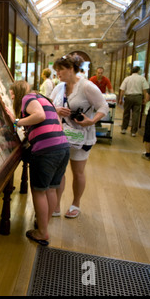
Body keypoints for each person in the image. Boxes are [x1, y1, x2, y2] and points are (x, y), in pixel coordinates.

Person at [5, 81, 70, 246]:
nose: (12, 98)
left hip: (46, 151)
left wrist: (15, 122)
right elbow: (53, 122)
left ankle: (41, 232)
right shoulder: (43, 98)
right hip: (62, 147)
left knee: (39, 191)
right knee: (51, 189)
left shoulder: (27, 98)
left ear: (18, 93)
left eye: (12, 95)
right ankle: (43, 226)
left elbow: (39, 116)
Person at [50, 54, 109, 219]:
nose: (58, 73)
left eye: (60, 69)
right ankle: (55, 205)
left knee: (78, 171)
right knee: (59, 172)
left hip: (81, 136)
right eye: (57, 70)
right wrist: (57, 110)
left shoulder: (86, 86)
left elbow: (103, 107)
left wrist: (91, 121)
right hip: (61, 136)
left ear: (70, 69)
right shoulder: (59, 87)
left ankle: (76, 203)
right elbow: (49, 105)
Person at [119, 66, 149, 137]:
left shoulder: (127, 78)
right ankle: (133, 132)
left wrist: (120, 98)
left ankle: (124, 128)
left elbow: (122, 89)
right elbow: (145, 90)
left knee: (126, 112)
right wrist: (145, 98)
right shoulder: (142, 78)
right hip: (138, 97)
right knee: (136, 114)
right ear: (138, 71)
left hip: (128, 97)